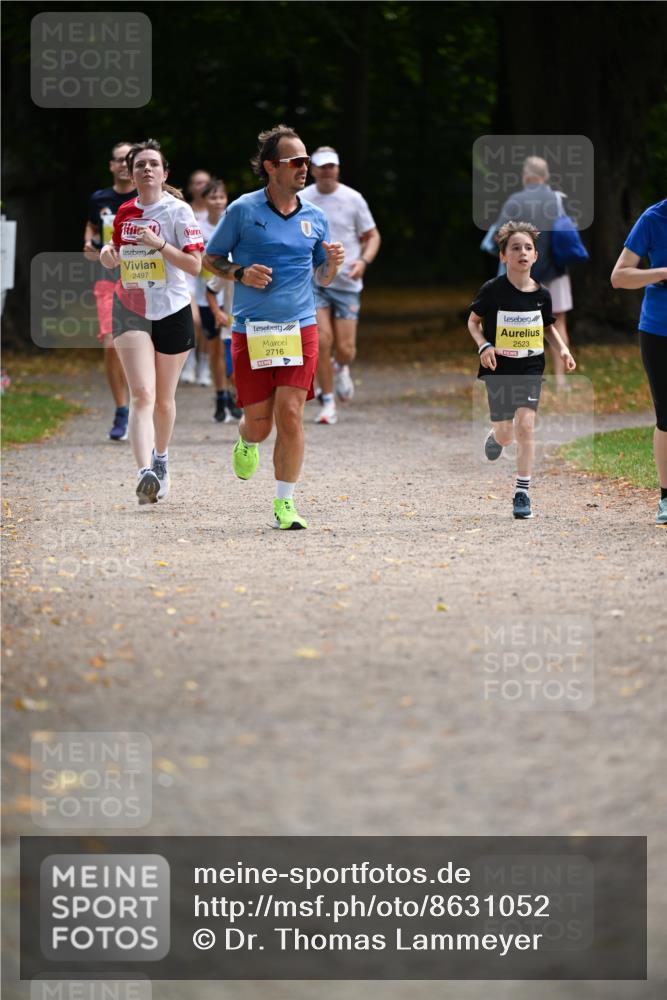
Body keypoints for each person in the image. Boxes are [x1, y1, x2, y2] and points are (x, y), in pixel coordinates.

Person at [203, 124, 345, 530]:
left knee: (291, 413)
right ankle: (246, 440)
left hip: (300, 327)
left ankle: (285, 504)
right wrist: (241, 272)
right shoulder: (243, 210)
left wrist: (333, 266)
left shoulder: (316, 217)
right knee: (261, 425)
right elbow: (211, 258)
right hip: (254, 330)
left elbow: (322, 276)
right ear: (271, 166)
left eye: (307, 161)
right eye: (296, 161)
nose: (305, 168)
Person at [99, 139, 204, 505]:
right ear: (131, 174)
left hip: (172, 307)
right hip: (131, 306)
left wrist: (159, 245)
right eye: (139, 164)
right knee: (142, 393)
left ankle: (161, 459)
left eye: (153, 164)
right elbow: (115, 253)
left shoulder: (179, 211)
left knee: (163, 399)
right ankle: (144, 472)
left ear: (164, 173)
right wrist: (108, 254)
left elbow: (195, 266)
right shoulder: (124, 211)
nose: (146, 169)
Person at [468, 221, 576, 520]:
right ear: (503, 256)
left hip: (530, 366)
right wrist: (484, 345)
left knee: (526, 425)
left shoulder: (542, 294)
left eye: (528, 248)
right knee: (507, 434)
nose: (523, 253)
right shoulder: (492, 290)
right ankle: (497, 437)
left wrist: (563, 349)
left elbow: (548, 327)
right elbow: (473, 322)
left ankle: (522, 492)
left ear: (536, 256)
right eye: (515, 248)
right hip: (499, 367)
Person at [301, 146, 380, 424]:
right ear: (313, 169)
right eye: (321, 166)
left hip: (347, 281)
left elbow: (372, 236)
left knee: (346, 349)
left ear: (338, 168)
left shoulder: (353, 198)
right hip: (314, 281)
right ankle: (328, 401)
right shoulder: (302, 198)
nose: (326, 171)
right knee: (322, 341)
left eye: (331, 166)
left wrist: (363, 262)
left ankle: (341, 366)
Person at [491, 156, 575, 390]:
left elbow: (499, 235)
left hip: (523, 273)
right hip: (556, 271)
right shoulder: (558, 199)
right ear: (545, 176)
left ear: (525, 176)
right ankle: (561, 379)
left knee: (518, 324)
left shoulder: (515, 201)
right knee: (558, 322)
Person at [611, 199, 667, 525]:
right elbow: (619, 276)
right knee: (666, 416)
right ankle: (666, 497)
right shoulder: (654, 218)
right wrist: (661, 273)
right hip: (660, 330)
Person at [83, 141, 136, 440]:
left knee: (140, 347)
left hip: (142, 281)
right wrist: (89, 245)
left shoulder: (147, 197)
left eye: (129, 159)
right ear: (111, 165)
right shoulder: (100, 198)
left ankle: (141, 405)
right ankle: (121, 410)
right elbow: (91, 228)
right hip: (108, 280)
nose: (124, 164)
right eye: (119, 159)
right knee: (111, 345)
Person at [197, 179, 242, 423]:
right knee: (215, 349)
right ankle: (220, 395)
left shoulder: (232, 225)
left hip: (231, 294)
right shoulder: (197, 226)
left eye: (221, 197)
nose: (217, 201)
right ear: (204, 200)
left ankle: (233, 394)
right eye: (212, 197)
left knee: (231, 351)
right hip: (207, 295)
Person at [181, 168, 213, 386]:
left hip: (210, 276)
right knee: (194, 320)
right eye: (197, 182)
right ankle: (190, 361)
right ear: (191, 187)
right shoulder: (184, 211)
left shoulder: (220, 212)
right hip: (188, 275)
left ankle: (205, 365)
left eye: (205, 182)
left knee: (209, 324)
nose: (201, 186)